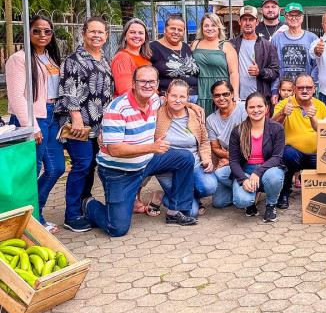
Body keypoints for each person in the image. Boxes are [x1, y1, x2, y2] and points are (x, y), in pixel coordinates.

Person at [84, 66, 197, 236]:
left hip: (146, 162)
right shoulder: (117, 108)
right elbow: (115, 150)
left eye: (151, 82)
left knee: (185, 158)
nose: (147, 85)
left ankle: (175, 211)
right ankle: (88, 204)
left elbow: (175, 100)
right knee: (117, 229)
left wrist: (193, 107)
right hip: (119, 171)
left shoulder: (154, 101)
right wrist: (151, 148)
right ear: (133, 83)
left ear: (157, 84)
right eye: (142, 81)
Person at [55, 17, 115, 233]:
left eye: (101, 32)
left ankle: (84, 202)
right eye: (92, 32)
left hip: (98, 126)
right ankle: (71, 214)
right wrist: (76, 118)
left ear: (106, 36)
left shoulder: (105, 59)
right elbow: (68, 89)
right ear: (83, 33)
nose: (97, 36)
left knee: (90, 165)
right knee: (81, 164)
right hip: (79, 124)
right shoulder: (73, 60)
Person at [6, 15, 64, 232]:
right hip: (34, 118)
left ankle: (33, 213)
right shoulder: (19, 59)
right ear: (28, 32)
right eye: (37, 30)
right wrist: (32, 126)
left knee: (56, 168)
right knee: (32, 171)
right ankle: (31, 221)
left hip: (52, 117)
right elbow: (16, 96)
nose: (42, 35)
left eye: (47, 31)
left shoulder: (50, 56)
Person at [151, 79, 216, 217]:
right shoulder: (157, 113)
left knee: (209, 186)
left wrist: (206, 159)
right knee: (191, 212)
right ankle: (161, 196)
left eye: (182, 97)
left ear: (188, 98)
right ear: (166, 96)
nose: (177, 100)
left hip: (194, 164)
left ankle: (192, 195)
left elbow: (204, 141)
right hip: (168, 169)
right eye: (173, 96)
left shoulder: (194, 116)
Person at [226, 92, 287, 222]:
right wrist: (243, 179)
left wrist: (258, 172)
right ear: (246, 109)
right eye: (251, 107)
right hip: (246, 170)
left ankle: (271, 205)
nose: (256, 110)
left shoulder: (277, 128)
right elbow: (234, 160)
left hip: (268, 168)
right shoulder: (238, 131)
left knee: (275, 177)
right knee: (242, 200)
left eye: (260, 106)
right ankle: (251, 203)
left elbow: (277, 157)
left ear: (266, 108)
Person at [273, 74, 326, 208]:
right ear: (294, 89)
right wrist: (282, 113)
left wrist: (314, 117)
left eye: (308, 87)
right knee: (287, 154)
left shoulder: (320, 106)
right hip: (293, 155)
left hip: (316, 155)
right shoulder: (283, 104)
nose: (305, 90)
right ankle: (284, 193)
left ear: (314, 88)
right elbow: (271, 128)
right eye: (301, 87)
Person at [206, 80, 250, 208]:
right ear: (213, 98)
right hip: (231, 159)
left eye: (225, 94)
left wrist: (232, 159)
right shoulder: (211, 120)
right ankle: (241, 186)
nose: (221, 98)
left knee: (221, 174)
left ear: (232, 94)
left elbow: (253, 141)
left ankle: (248, 188)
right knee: (219, 202)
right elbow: (214, 147)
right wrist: (229, 156)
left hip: (248, 158)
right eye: (217, 95)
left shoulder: (244, 109)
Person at [192, 12, 239, 116]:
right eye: (206, 25)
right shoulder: (195, 44)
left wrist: (235, 95)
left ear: (219, 28)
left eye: (213, 25)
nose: (210, 28)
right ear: (202, 28)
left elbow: (233, 73)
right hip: (200, 91)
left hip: (221, 92)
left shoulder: (226, 46)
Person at [231, 5, 279, 104]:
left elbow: (275, 71)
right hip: (237, 99)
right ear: (239, 22)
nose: (248, 23)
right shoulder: (232, 44)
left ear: (257, 22)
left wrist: (260, 72)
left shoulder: (267, 45)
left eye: (251, 19)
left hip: (260, 100)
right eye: (244, 19)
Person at [270, 2, 318, 104]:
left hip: (305, 91)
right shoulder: (277, 39)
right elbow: (274, 67)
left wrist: (313, 89)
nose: (294, 18)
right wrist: (275, 90)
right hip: (284, 92)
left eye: (297, 15)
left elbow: (316, 66)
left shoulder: (312, 38)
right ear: (285, 17)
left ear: (302, 18)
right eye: (290, 15)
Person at [149, 14, 200, 100]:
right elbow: (146, 75)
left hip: (193, 97)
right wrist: (155, 95)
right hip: (170, 99)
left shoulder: (186, 47)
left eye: (180, 30)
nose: (176, 32)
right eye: (173, 28)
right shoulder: (153, 47)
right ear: (165, 30)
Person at [111, 18, 152, 97]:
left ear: (145, 37)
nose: (137, 36)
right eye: (132, 32)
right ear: (125, 36)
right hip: (132, 106)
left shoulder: (145, 58)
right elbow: (125, 91)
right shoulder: (122, 58)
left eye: (140, 33)